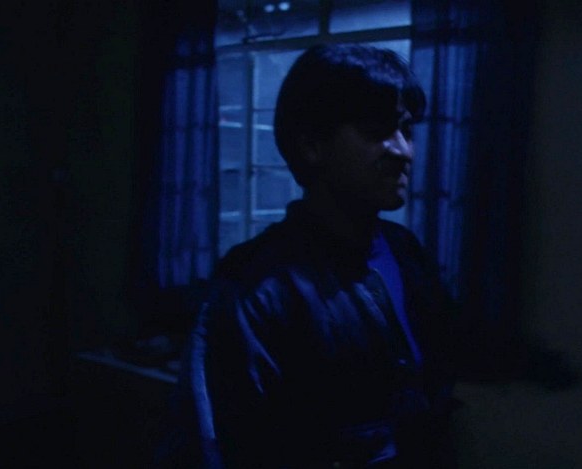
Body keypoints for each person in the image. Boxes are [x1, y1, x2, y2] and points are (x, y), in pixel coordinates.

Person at [178, 43, 462, 468]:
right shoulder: (256, 286)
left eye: (407, 129)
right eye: (376, 130)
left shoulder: (404, 252)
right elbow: (227, 445)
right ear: (312, 145)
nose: (403, 151)